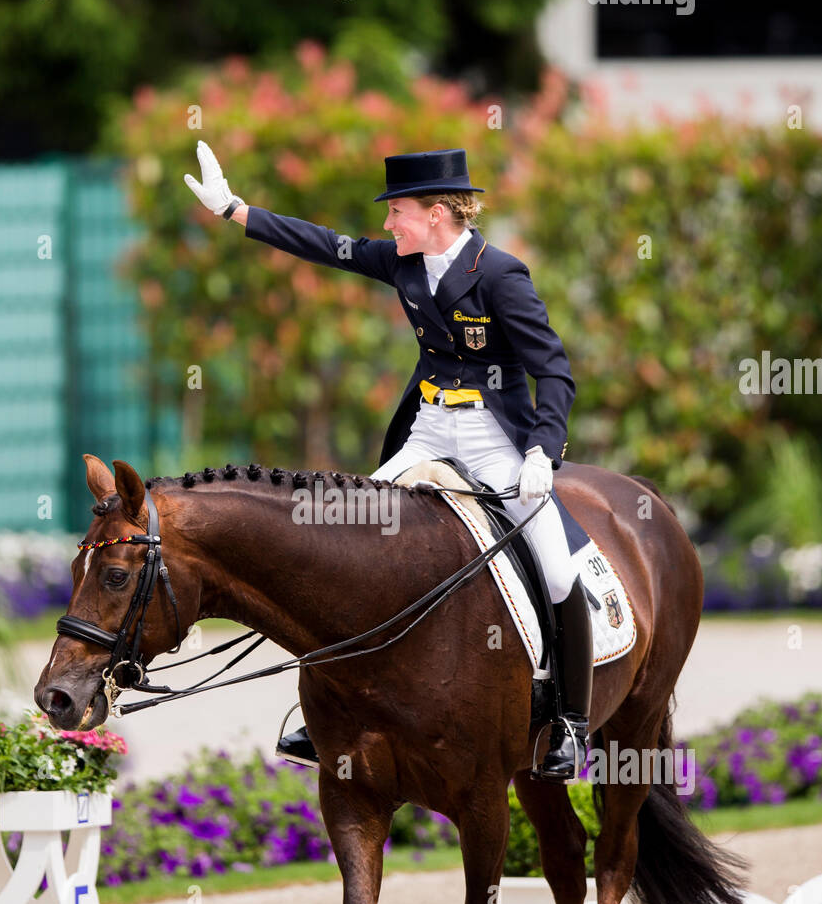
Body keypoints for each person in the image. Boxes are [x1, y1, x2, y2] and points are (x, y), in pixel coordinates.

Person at [184, 142, 592, 781]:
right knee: (344, 541)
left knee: (560, 572)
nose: (386, 225)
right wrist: (236, 211)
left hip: (495, 433)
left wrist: (543, 448)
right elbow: (324, 245)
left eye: (396, 211)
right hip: (430, 429)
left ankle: (570, 722)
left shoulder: (500, 274)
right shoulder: (402, 261)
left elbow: (553, 369)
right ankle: (323, 707)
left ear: (436, 213)